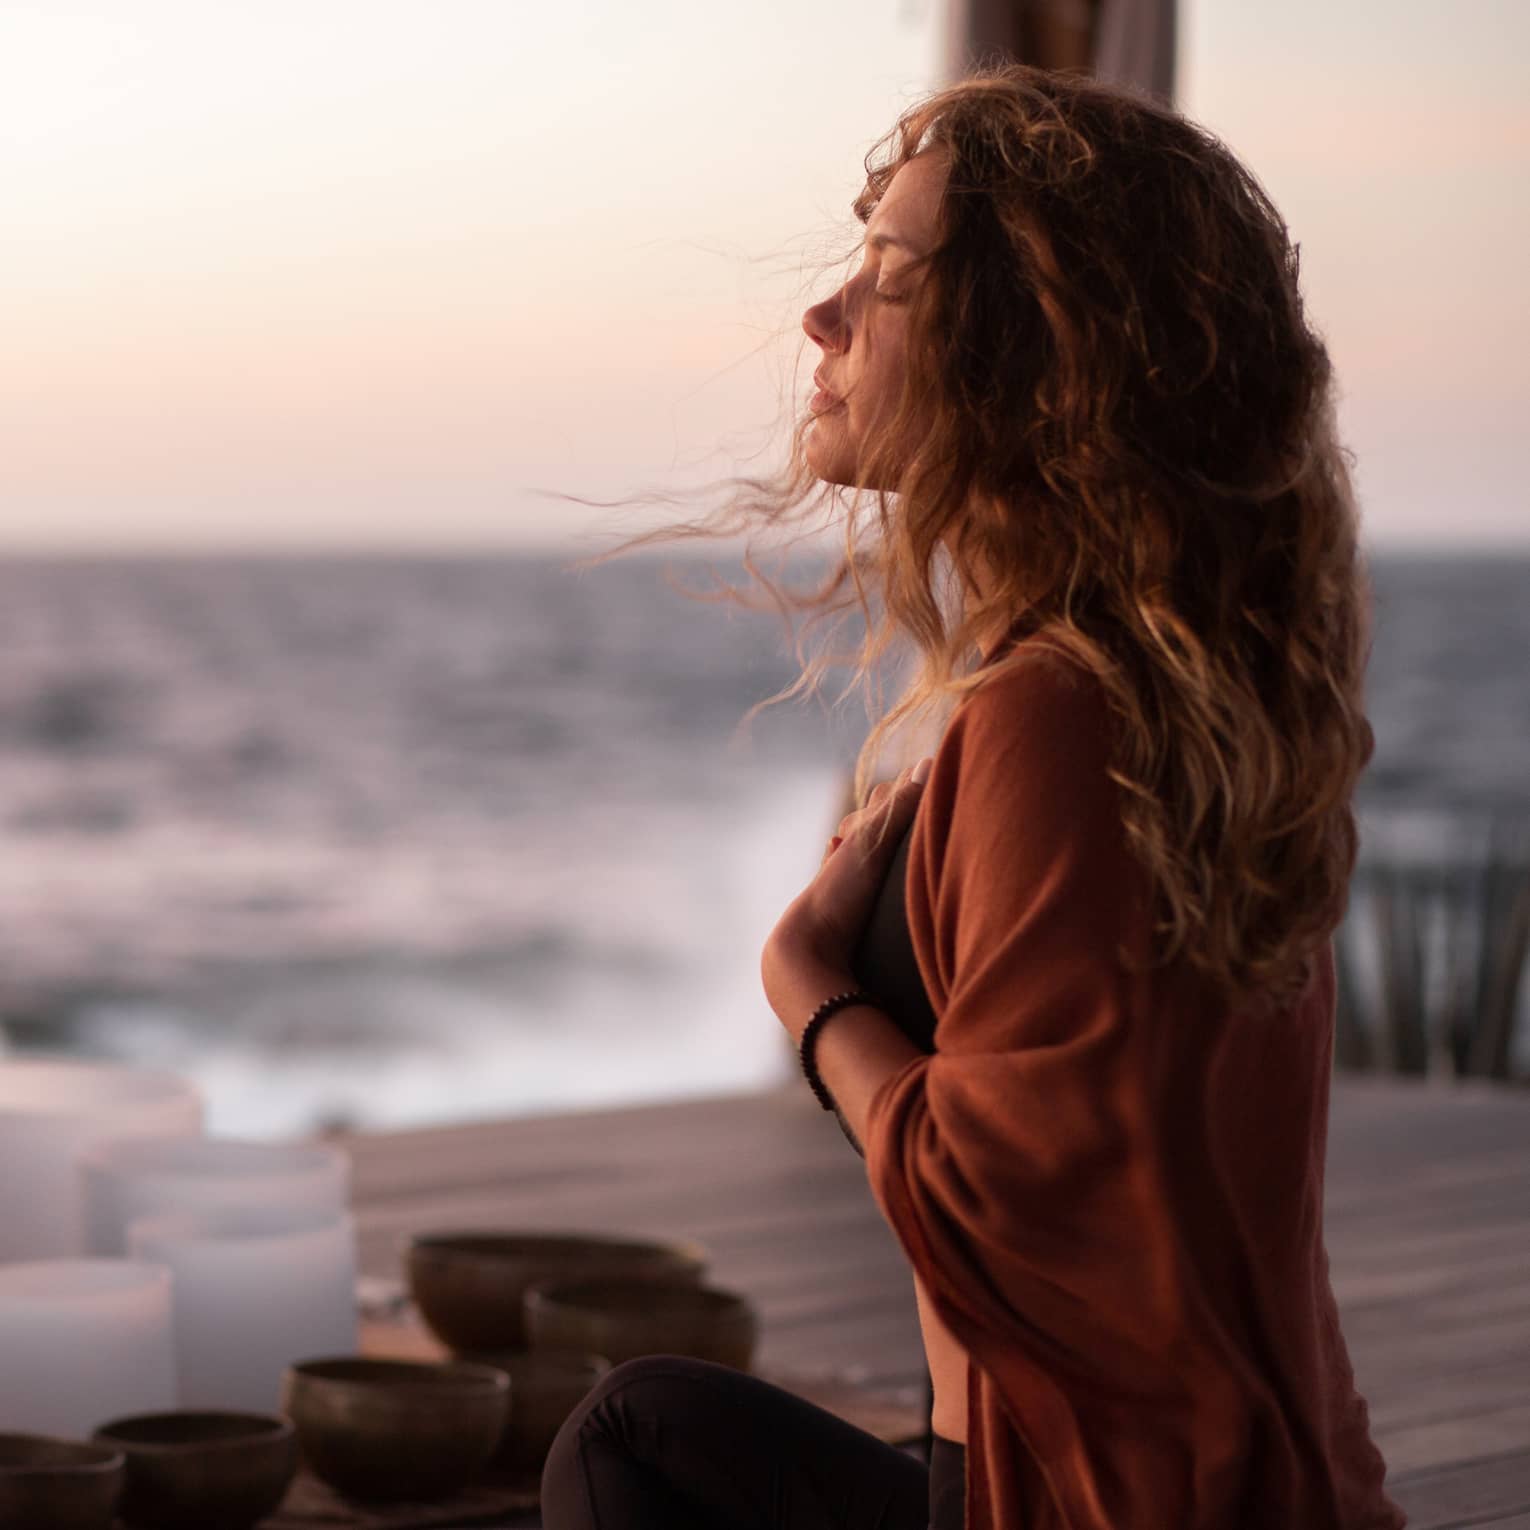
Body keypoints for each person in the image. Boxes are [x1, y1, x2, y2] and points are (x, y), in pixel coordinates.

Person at [541, 63, 1407, 1530]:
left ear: (1038, 357)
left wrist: (809, 990)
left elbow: (1004, 1204)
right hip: (1231, 1481)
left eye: (885, 276)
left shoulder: (1060, 715)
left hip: (1079, 1499)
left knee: (622, 1440)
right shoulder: (1180, 702)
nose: (821, 317)